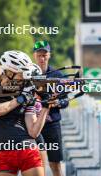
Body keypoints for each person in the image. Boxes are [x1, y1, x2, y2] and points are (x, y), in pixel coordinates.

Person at [0, 50, 50, 176]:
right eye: (21, 74)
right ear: (9, 72)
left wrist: (46, 106)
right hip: (4, 152)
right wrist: (21, 98)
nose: (24, 77)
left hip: (28, 148)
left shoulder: (26, 88)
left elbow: (33, 132)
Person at [33, 40, 69, 176]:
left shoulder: (58, 75)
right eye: (39, 55)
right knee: (36, 164)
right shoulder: (27, 74)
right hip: (33, 125)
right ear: (34, 55)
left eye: (45, 55)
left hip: (52, 124)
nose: (42, 58)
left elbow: (66, 101)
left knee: (55, 163)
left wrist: (56, 103)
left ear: (49, 55)